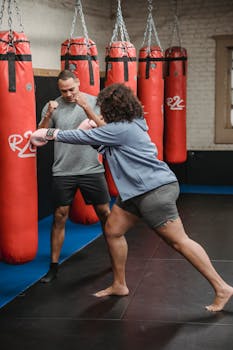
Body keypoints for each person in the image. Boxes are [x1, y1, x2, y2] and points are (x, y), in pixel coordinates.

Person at [31, 83, 233, 311]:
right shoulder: (132, 123)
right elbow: (102, 140)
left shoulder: (121, 129)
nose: (101, 112)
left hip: (153, 190)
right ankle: (119, 284)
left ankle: (222, 287)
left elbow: (79, 137)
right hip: (134, 191)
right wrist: (91, 125)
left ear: (112, 109)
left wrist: (47, 133)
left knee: (179, 241)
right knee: (113, 231)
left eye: (103, 108)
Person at [37, 69, 111, 283]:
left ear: (78, 83)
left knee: (105, 213)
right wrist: (49, 114)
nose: (68, 94)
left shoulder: (94, 101)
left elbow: (105, 129)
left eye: (72, 89)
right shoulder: (54, 106)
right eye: (64, 91)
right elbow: (40, 135)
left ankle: (113, 257)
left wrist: (86, 107)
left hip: (91, 169)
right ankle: (53, 266)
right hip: (63, 170)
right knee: (60, 216)